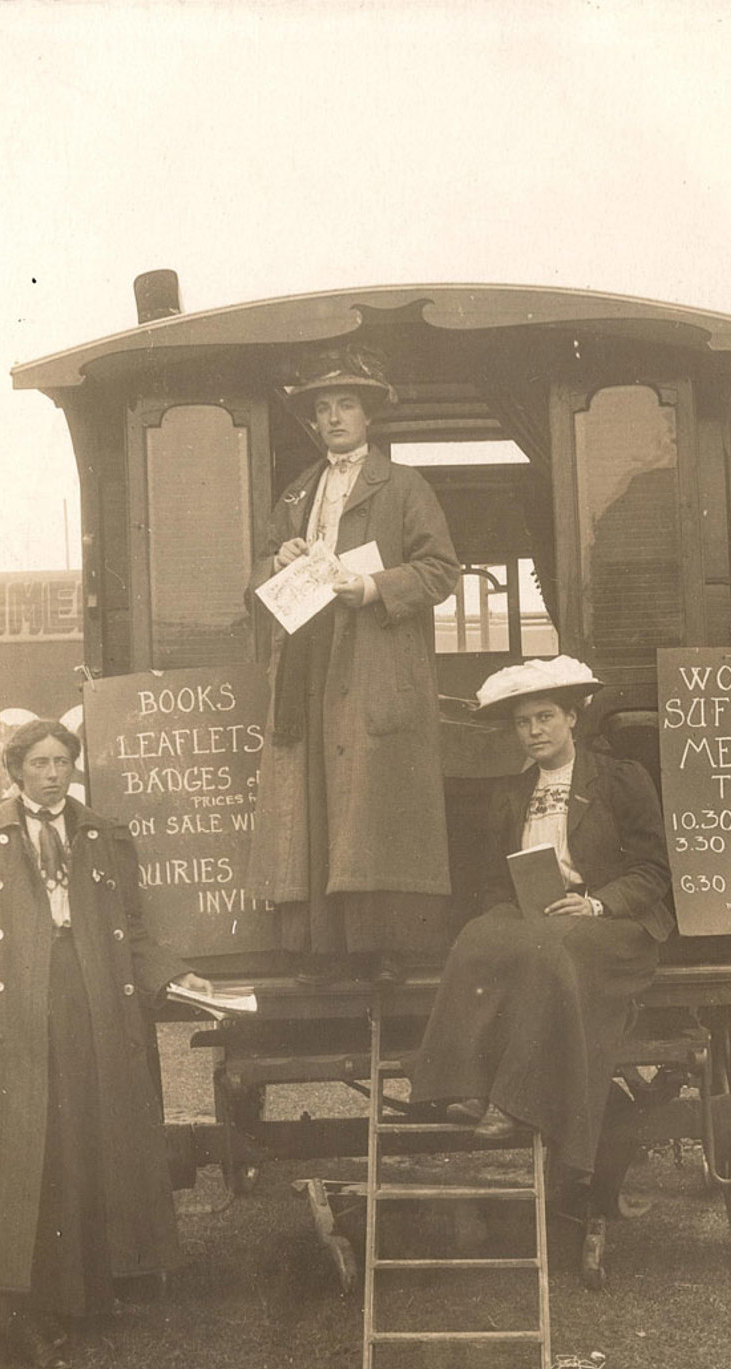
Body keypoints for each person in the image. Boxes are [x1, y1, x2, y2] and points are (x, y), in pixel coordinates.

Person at [0, 719, 213, 1368]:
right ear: (16, 769)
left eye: (64, 762)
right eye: (41, 763)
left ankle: (88, 1296)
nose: (54, 774)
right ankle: (17, 1310)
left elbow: (131, 932)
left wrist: (173, 974)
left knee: (85, 1141)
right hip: (11, 1009)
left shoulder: (102, 836)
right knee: (23, 1153)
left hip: (92, 1004)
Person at [407, 656, 674, 1189]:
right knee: (479, 938)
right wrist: (504, 908)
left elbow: (653, 870)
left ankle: (515, 1104)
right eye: (523, 722)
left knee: (551, 952)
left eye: (546, 717)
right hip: (540, 915)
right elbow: (496, 876)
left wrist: (597, 902)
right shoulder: (513, 791)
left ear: (573, 718)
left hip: (612, 925)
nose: (534, 732)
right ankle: (463, 1087)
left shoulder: (619, 779)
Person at [247, 347, 460, 982]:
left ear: (368, 416)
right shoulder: (296, 494)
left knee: (371, 799)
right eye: (322, 409)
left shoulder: (403, 487)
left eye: (345, 405)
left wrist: (370, 590)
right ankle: (321, 951)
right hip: (307, 663)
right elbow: (258, 575)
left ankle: (382, 952)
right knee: (312, 797)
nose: (334, 418)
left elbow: (441, 570)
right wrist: (278, 562)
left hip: (373, 661)